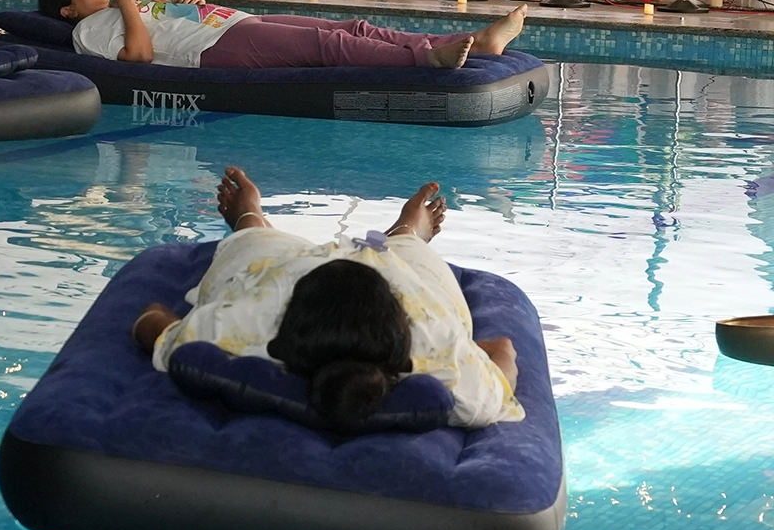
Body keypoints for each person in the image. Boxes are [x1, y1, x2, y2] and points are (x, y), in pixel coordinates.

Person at [133, 167, 521, 434]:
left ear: (287, 323)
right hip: (405, 285)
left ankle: (250, 218)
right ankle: (406, 232)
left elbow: (151, 322)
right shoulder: (438, 348)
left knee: (253, 244)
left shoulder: (247, 322)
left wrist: (173, 322)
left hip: (289, 274)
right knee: (406, 251)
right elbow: (501, 350)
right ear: (399, 329)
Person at [38, 0, 528, 73]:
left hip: (218, 23)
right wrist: (128, 5)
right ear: (67, 8)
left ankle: (475, 43)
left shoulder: (109, 12)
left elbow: (152, 26)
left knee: (351, 29)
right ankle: (428, 57)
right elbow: (140, 56)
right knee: (327, 44)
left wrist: (183, 4)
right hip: (211, 48)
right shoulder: (88, 29)